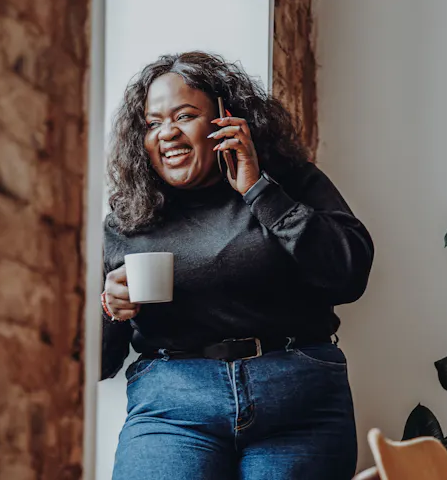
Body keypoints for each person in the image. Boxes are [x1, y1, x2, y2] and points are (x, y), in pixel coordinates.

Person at [101, 51, 375, 480]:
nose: (167, 133)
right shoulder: (129, 218)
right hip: (173, 408)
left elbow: (349, 274)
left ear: (225, 118)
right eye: (153, 123)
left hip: (297, 402)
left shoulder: (289, 181)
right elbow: (96, 362)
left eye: (184, 115)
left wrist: (258, 190)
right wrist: (110, 309)